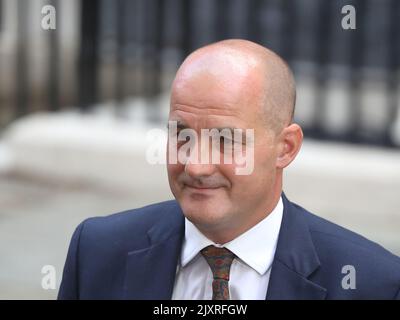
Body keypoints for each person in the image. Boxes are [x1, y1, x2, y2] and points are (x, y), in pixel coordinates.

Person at [58, 39, 400, 300]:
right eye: (182, 134)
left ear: (286, 148)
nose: (196, 164)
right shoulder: (98, 252)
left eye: (225, 140)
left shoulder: (372, 283)